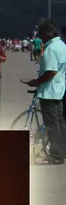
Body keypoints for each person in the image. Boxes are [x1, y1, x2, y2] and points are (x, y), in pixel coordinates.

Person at [25, 20, 66, 165]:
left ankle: (56, 155)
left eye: (41, 34)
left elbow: (51, 72)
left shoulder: (50, 49)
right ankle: (61, 151)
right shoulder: (62, 45)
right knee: (60, 123)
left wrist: (36, 82)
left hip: (49, 91)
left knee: (52, 124)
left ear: (47, 34)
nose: (40, 37)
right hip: (59, 90)